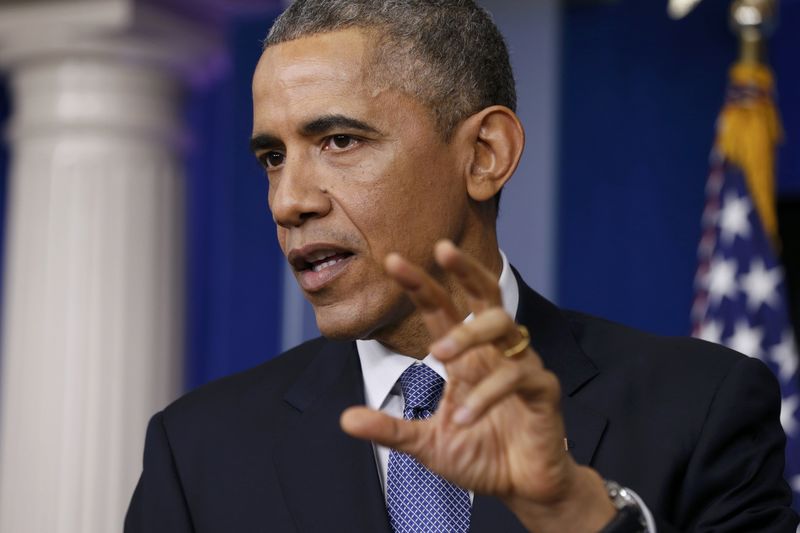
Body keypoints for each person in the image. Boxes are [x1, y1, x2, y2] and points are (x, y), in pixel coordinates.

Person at [125, 1, 798, 531]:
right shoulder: (197, 452)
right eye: (273, 157)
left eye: (338, 139)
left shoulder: (701, 406)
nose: (288, 199)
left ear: (484, 154)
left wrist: (579, 516)